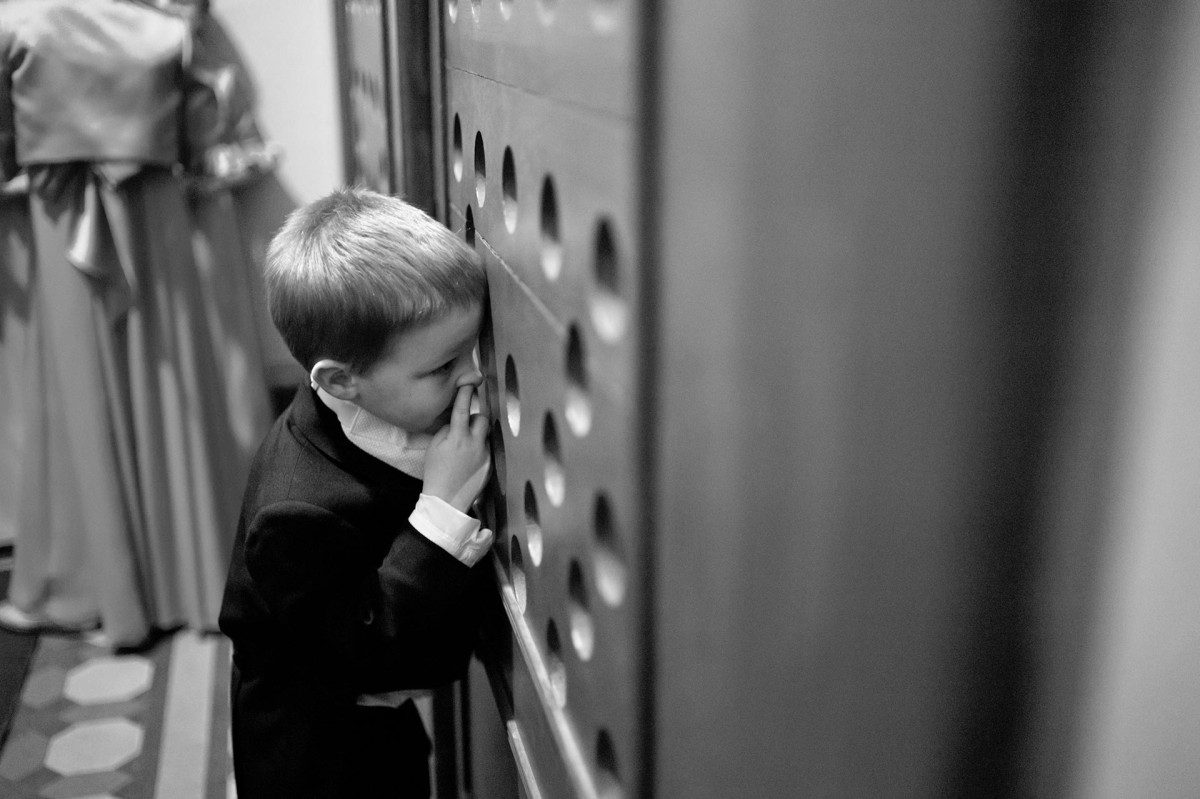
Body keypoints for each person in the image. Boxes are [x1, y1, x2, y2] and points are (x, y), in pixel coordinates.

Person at [218, 187, 494, 799]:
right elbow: (372, 654)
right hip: (320, 767)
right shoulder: (293, 515)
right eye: (443, 367)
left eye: (470, 351)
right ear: (342, 381)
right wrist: (441, 514)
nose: (474, 375)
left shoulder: (363, 400)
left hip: (380, 737)